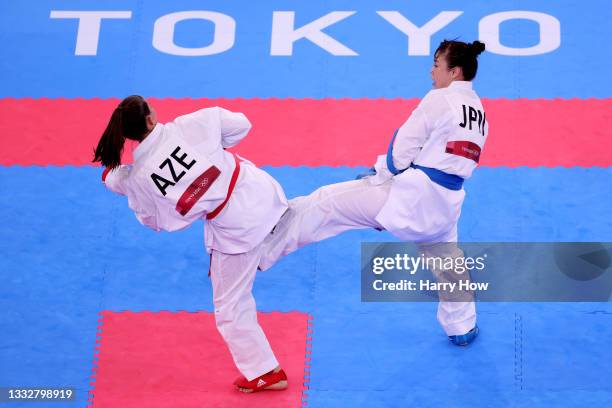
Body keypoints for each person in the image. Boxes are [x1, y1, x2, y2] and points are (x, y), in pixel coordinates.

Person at [259, 40, 488, 346]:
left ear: (454, 71)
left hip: (408, 198)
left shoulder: (440, 99)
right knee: (448, 263)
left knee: (325, 203)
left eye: (436, 63)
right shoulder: (479, 113)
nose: (431, 70)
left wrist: (380, 174)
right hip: (445, 207)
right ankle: (462, 326)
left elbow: (401, 149)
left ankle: (256, 253)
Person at [93, 96, 289, 392]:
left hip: (235, 230)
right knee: (301, 223)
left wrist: (115, 178)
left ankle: (266, 371)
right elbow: (241, 125)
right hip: (264, 194)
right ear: (150, 119)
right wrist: (214, 150)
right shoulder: (193, 124)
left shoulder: (141, 178)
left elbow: (154, 220)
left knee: (230, 307)